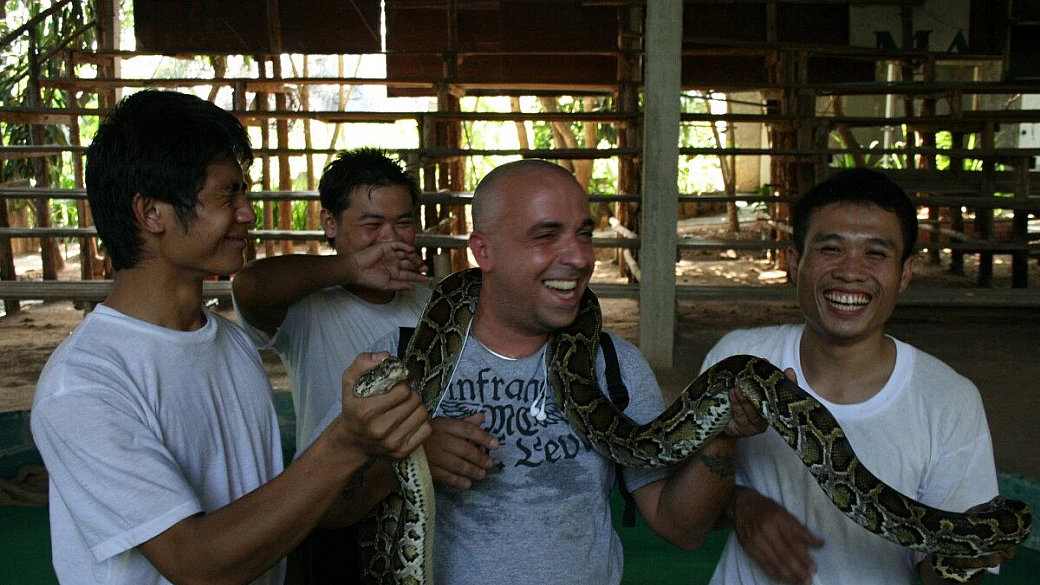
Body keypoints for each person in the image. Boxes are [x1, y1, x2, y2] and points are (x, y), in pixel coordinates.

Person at [30, 90, 431, 585]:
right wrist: (345, 443)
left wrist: (405, 455)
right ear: (151, 212)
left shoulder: (231, 344)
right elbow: (198, 564)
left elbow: (281, 510)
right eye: (227, 195)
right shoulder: (86, 383)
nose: (247, 213)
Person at [302, 159, 767, 585]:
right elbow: (322, 509)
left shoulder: (615, 366)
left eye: (584, 234)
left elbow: (681, 529)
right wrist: (406, 457)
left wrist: (720, 431)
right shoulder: (397, 361)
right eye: (546, 236)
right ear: (484, 251)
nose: (581, 257)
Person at [702, 168, 1013, 585]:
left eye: (876, 254)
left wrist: (965, 558)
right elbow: (684, 515)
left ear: (905, 273)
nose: (851, 271)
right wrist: (740, 504)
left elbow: (940, 575)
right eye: (831, 249)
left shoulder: (950, 401)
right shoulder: (738, 360)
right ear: (795, 263)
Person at [231, 148, 431, 582]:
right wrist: (351, 267)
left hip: (420, 503)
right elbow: (249, 284)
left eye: (404, 223)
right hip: (331, 506)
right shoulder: (306, 307)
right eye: (371, 225)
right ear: (329, 225)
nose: (391, 239)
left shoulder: (431, 303)